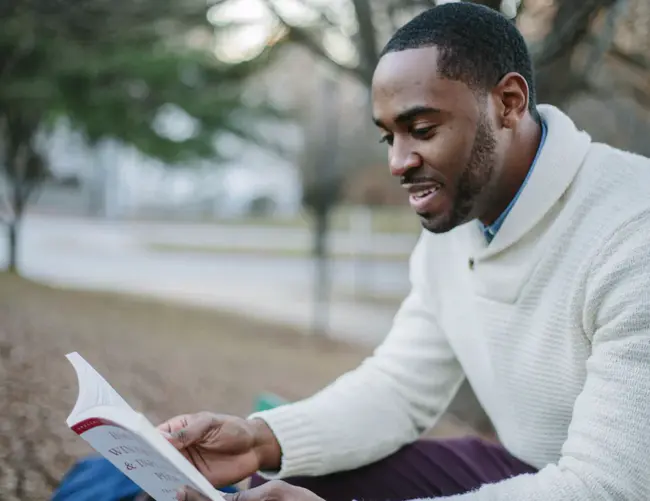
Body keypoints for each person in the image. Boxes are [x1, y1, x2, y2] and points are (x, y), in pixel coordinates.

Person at [160, 3, 650, 501]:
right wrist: (262, 440)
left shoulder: (633, 234)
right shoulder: (460, 217)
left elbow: (610, 488)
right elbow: (399, 388)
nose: (397, 163)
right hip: (530, 465)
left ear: (508, 102)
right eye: (388, 135)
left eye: (422, 130)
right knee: (287, 476)